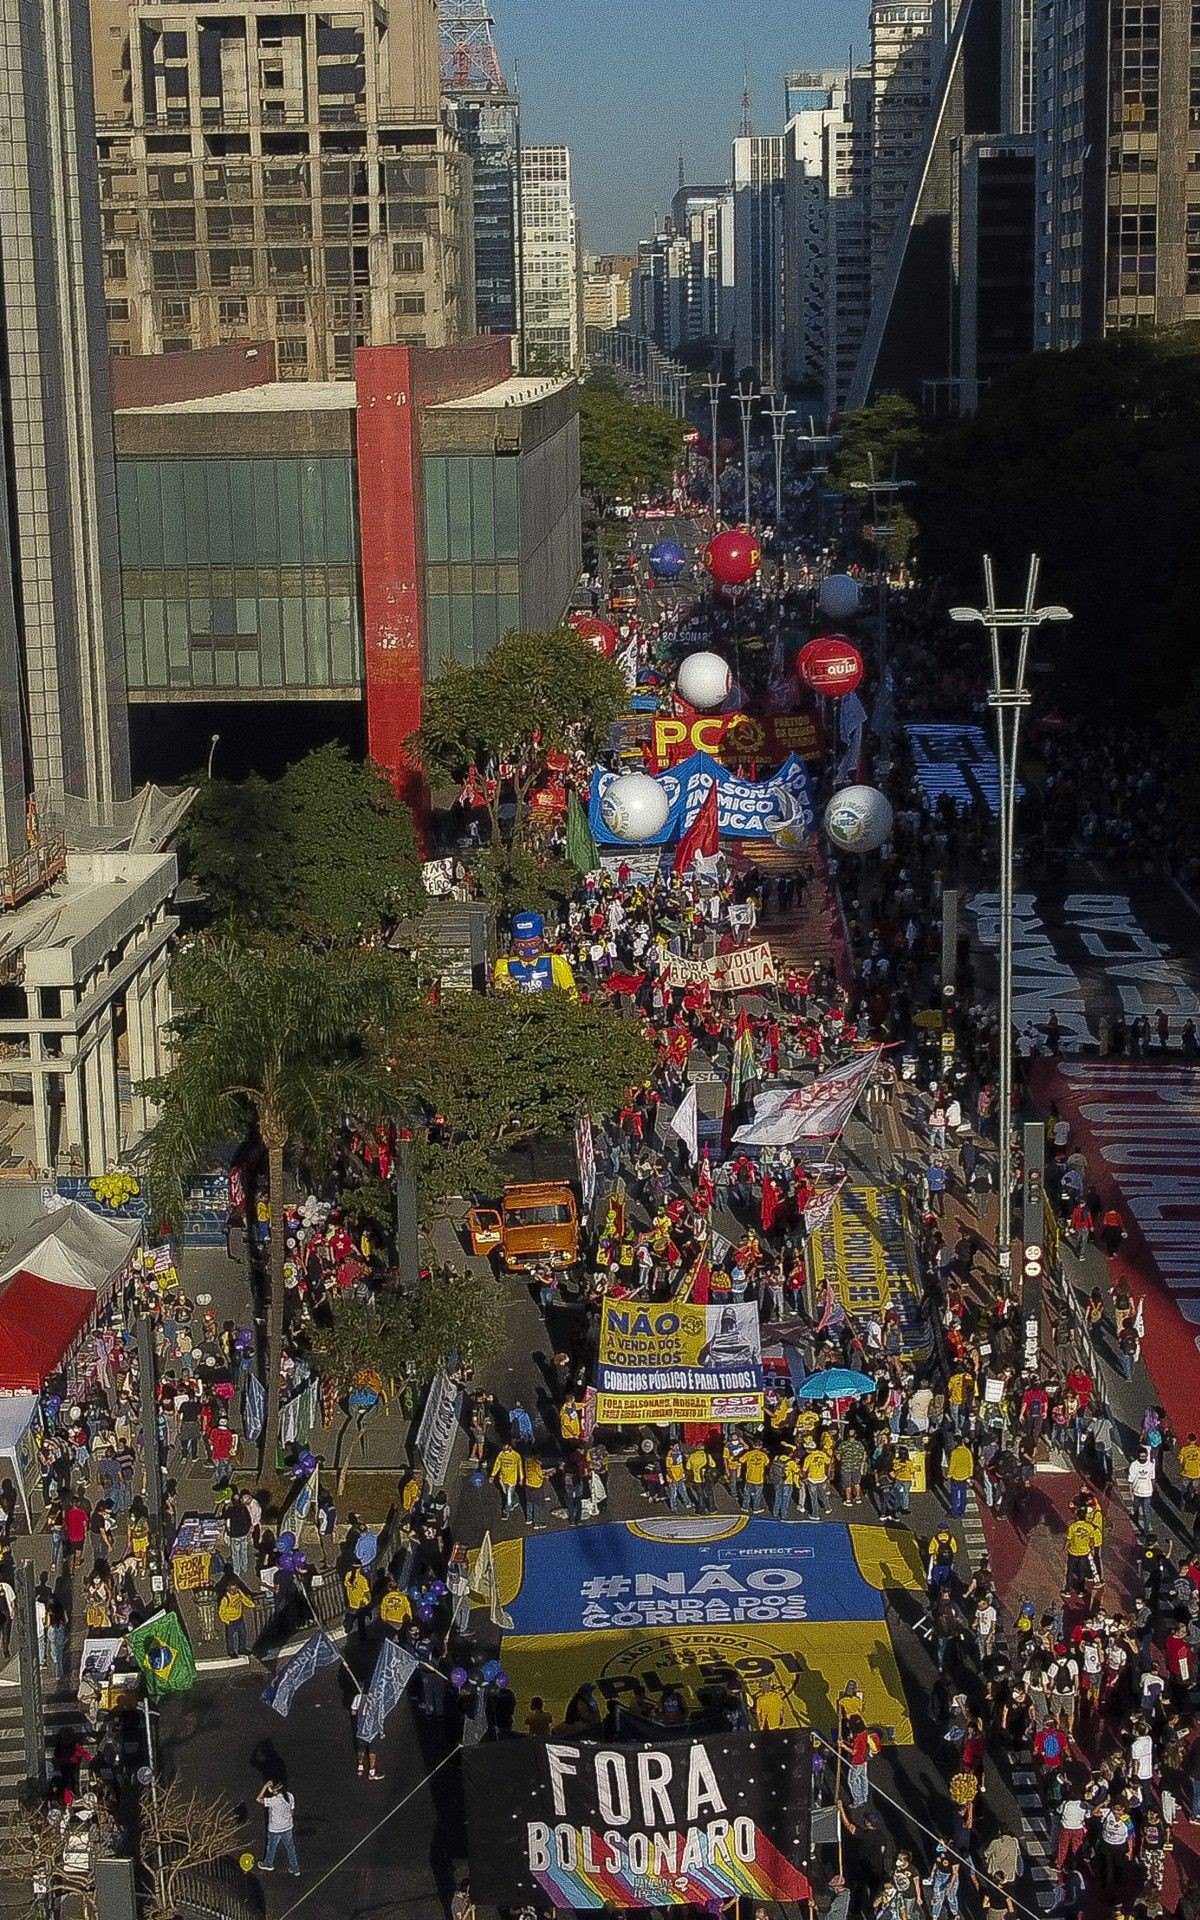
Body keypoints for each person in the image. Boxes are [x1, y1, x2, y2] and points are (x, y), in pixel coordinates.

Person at [257, 1779, 300, 1874]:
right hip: (287, 1827)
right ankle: (295, 1869)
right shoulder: (289, 1796)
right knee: (290, 1848)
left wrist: (264, 1787)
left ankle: (268, 1863)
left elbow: (259, 1799)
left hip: (275, 1829)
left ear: (275, 1790)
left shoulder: (274, 1800)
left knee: (271, 1847)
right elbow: (292, 1811)